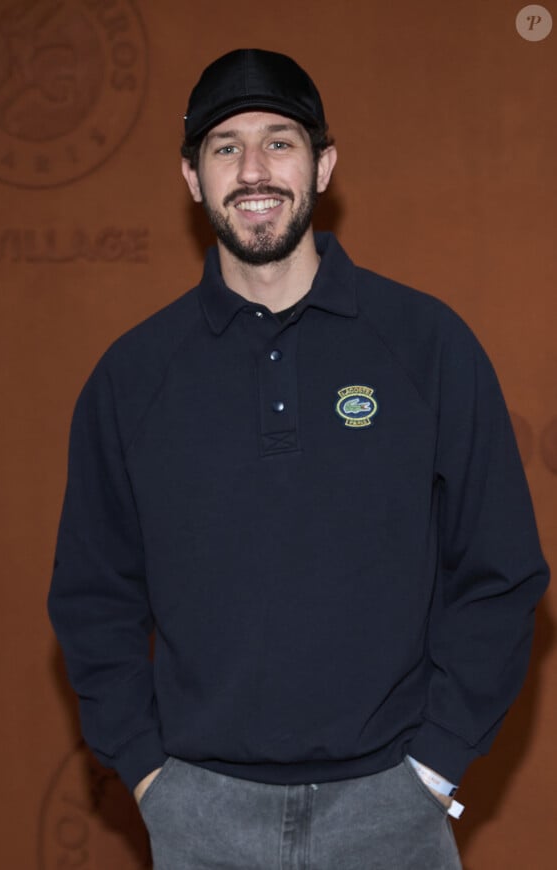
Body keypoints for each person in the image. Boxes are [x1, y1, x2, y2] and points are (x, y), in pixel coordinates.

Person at [48, 49, 549, 869]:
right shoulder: (132, 376)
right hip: (200, 813)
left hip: (392, 808)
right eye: (224, 147)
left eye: (280, 142)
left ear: (324, 164)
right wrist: (146, 774)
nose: (253, 169)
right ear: (191, 178)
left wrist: (434, 764)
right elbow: (92, 595)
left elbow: (499, 573)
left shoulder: (426, 346)